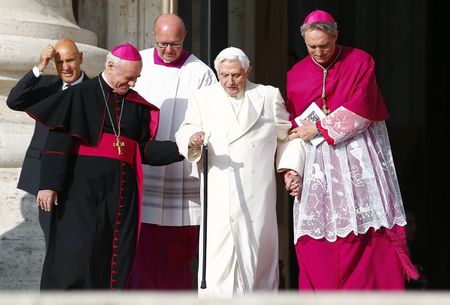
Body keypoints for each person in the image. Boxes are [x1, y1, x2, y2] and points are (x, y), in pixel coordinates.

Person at [25, 42, 184, 290]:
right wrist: (48, 185)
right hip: (79, 195)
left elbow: (144, 150)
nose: (133, 84)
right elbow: (58, 141)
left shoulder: (136, 106)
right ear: (110, 66)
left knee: (111, 259)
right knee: (76, 256)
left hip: (120, 195)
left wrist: (184, 148)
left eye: (136, 78)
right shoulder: (79, 95)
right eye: (128, 78)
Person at [285, 9, 419, 290]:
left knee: (366, 230)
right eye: (312, 47)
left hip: (358, 156)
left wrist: (321, 128)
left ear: (336, 36)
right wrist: (291, 170)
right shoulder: (296, 74)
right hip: (318, 164)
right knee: (317, 235)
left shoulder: (359, 61)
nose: (319, 52)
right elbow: (293, 129)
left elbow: (364, 106)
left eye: (324, 45)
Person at [175, 46, 304, 297]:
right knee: (218, 259)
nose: (230, 82)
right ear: (217, 73)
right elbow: (186, 128)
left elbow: (287, 136)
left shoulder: (267, 95)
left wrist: (291, 169)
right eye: (224, 75)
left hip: (256, 193)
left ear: (248, 71)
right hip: (219, 189)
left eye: (236, 75)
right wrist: (192, 138)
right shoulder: (203, 97)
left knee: (256, 258)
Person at [128, 13, 217, 290]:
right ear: (153, 37)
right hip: (143, 167)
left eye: (175, 44)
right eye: (162, 43)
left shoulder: (201, 72)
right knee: (140, 250)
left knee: (177, 255)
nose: (168, 50)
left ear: (185, 37)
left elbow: (209, 118)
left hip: (182, 173)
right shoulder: (138, 64)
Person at [6, 38, 88, 247]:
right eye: (59, 62)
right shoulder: (47, 85)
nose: (66, 67)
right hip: (44, 177)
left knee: (76, 243)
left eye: (70, 60)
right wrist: (39, 66)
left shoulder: (94, 90)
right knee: (51, 240)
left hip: (78, 177)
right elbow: (14, 101)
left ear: (81, 58)